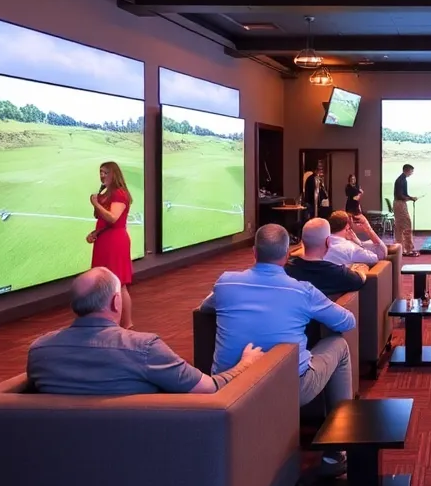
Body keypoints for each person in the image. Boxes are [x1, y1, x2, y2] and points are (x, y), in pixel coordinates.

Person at [202, 224, 355, 474]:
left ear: (254, 252)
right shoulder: (302, 291)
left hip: (229, 386)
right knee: (338, 344)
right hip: (291, 388)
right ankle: (337, 451)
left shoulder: (225, 283)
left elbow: (206, 308)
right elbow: (348, 321)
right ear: (287, 255)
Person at [28, 267, 264, 395]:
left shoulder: (39, 352)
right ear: (116, 303)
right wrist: (246, 364)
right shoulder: (144, 349)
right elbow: (210, 388)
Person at [87, 161, 134, 329]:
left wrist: (96, 204)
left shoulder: (119, 194)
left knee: (118, 283)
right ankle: (108, 321)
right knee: (103, 282)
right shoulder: (107, 193)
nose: (102, 175)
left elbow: (113, 218)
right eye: (100, 172)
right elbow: (102, 219)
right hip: (104, 240)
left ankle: (126, 324)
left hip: (115, 242)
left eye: (106, 172)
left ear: (114, 174)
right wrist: (95, 233)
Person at [285, 217, 366, 297]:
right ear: (328, 242)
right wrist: (360, 268)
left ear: (302, 242)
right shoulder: (339, 274)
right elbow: (360, 279)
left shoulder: (285, 269)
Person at [393, 163, 419, 257]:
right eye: (411, 171)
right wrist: (410, 198)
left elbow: (404, 194)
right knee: (407, 225)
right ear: (407, 170)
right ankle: (409, 250)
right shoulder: (402, 180)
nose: (412, 173)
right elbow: (401, 196)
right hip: (400, 204)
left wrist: (411, 197)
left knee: (399, 227)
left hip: (397, 204)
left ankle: (399, 249)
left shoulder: (401, 179)